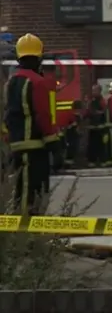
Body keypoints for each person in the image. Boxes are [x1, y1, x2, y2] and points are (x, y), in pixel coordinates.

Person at [4, 33, 62, 215]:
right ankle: (28, 236)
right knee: (33, 192)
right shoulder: (37, 82)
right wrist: (55, 144)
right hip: (35, 148)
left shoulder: (11, 82)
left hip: (15, 145)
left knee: (19, 191)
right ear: (39, 57)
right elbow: (43, 114)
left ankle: (20, 233)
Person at [85, 84, 107, 168]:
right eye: (93, 90)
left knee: (100, 145)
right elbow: (88, 112)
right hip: (93, 128)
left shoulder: (102, 101)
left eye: (95, 90)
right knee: (92, 145)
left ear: (99, 91)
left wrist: (95, 113)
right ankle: (92, 161)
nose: (93, 92)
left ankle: (102, 161)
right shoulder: (92, 101)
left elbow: (104, 112)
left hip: (100, 128)